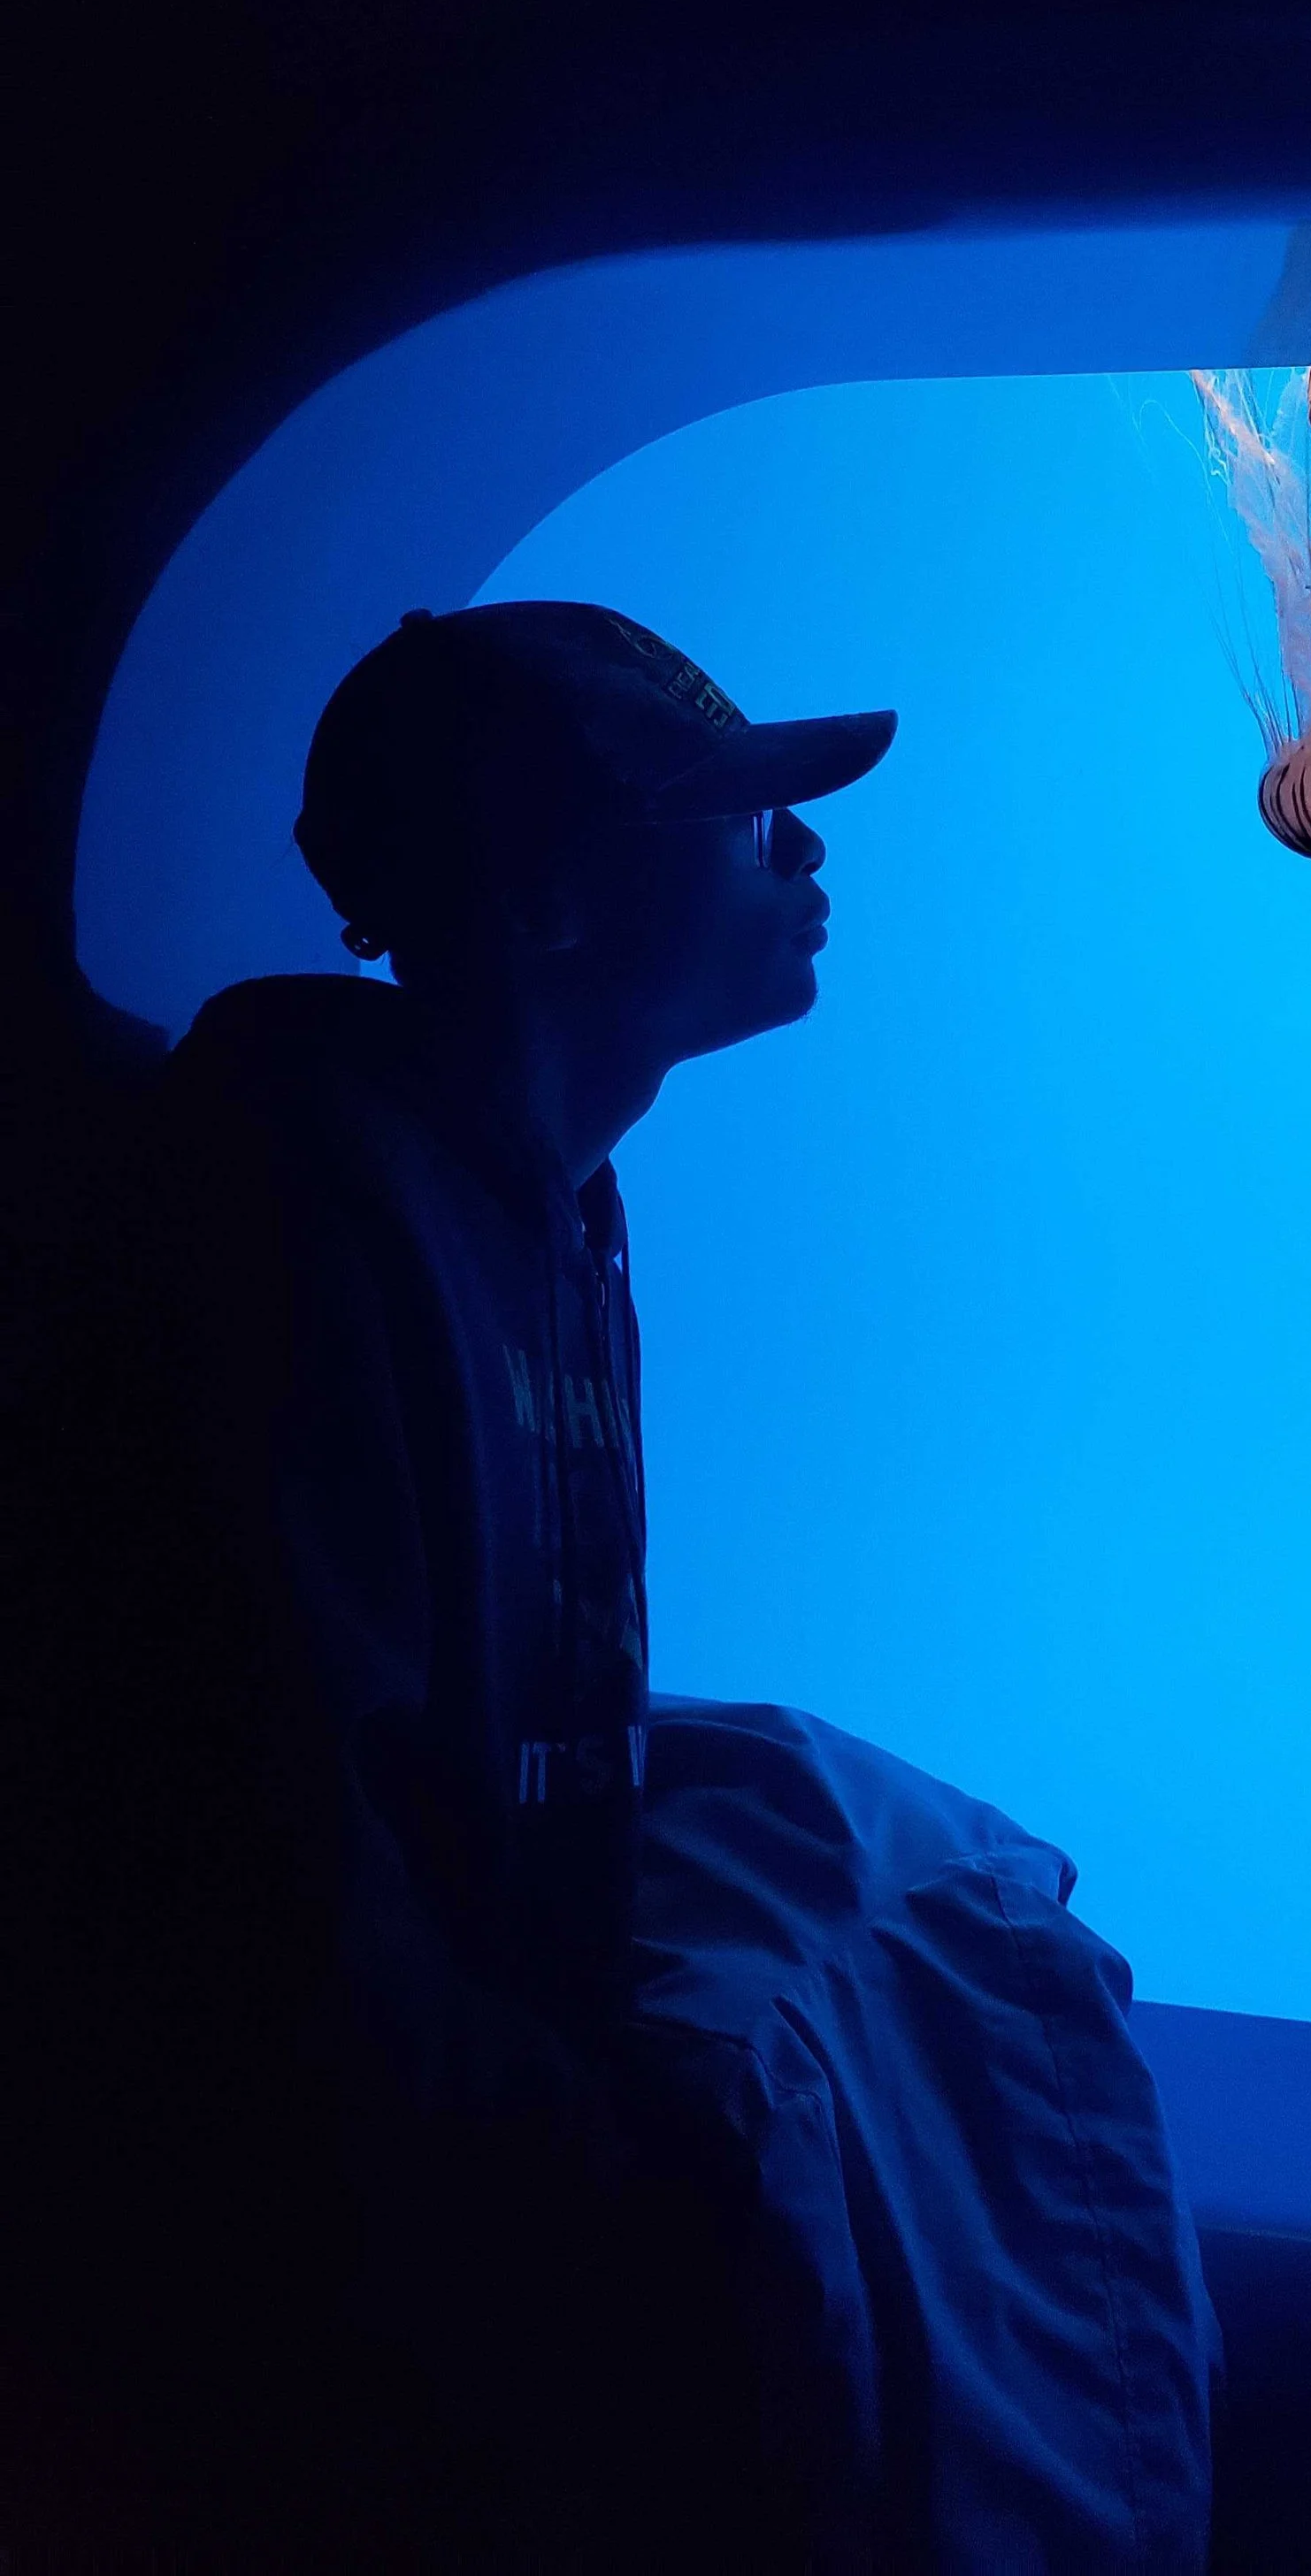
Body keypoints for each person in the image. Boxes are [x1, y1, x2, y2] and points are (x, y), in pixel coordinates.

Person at [111, 601, 1216, 2572]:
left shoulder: (547, 1183)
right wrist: (594, 2175)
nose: (802, 851)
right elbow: (263, 1836)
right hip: (348, 2230)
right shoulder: (289, 1201)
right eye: (734, 815)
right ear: (546, 901)